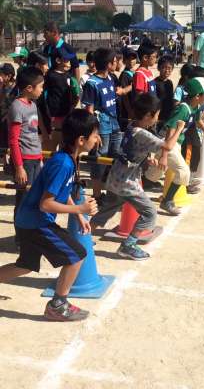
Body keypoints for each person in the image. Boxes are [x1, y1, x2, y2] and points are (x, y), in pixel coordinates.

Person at [0, 109, 99, 321]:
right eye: (94, 135)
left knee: (25, 265)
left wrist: (79, 216)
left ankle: (57, 304)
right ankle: (57, 305)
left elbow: (63, 190)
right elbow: (46, 204)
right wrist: (80, 209)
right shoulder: (63, 163)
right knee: (77, 255)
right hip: (36, 222)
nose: (97, 139)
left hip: (28, 220)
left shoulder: (68, 158)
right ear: (81, 140)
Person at [91, 94, 185, 260]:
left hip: (115, 178)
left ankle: (83, 236)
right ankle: (128, 245)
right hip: (127, 182)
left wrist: (147, 160)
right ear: (148, 115)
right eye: (156, 115)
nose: (157, 119)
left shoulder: (131, 126)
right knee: (149, 213)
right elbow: (168, 146)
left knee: (107, 210)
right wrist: (179, 128)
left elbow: (131, 151)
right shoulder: (142, 133)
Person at [146, 77, 204, 215]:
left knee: (153, 174)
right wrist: (164, 155)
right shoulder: (183, 109)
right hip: (168, 143)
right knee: (183, 172)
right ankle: (167, 201)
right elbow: (170, 131)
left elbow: (198, 120)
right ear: (197, 96)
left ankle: (130, 190)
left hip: (174, 144)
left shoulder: (195, 107)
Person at [81, 48, 122, 200]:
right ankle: (97, 195)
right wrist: (94, 132)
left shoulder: (111, 78)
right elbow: (89, 111)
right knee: (99, 159)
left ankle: (112, 192)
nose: (117, 63)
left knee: (115, 157)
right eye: (115, 61)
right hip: (101, 127)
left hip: (114, 124)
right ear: (108, 64)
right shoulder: (92, 83)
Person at [8, 67, 45, 231]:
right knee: (23, 199)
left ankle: (31, 231)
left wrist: (40, 157)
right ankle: (21, 235)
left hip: (36, 158)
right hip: (25, 161)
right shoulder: (17, 107)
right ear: (29, 88)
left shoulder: (32, 105)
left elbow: (34, 134)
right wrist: (19, 167)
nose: (42, 90)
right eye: (41, 86)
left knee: (35, 197)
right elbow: (13, 140)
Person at [44, 52, 80, 151]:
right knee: (52, 142)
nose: (69, 63)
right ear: (58, 60)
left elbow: (75, 95)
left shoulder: (69, 76)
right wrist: (47, 112)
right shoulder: (50, 75)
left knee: (64, 143)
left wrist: (75, 99)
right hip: (54, 114)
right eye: (67, 60)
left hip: (67, 113)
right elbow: (44, 94)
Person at [118, 49, 138, 131]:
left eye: (133, 59)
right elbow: (124, 96)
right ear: (124, 61)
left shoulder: (134, 72)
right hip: (128, 112)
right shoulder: (124, 75)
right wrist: (130, 111)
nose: (131, 61)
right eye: (128, 59)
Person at [155, 55, 175, 131]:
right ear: (158, 68)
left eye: (169, 68)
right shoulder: (154, 83)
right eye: (164, 67)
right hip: (158, 115)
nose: (167, 70)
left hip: (168, 114)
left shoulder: (170, 83)